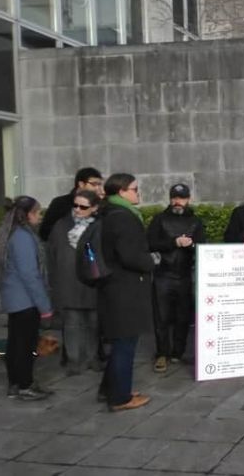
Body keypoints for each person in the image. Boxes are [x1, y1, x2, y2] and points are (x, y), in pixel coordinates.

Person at [96, 174, 154, 410]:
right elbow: (130, 255)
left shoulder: (109, 213)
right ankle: (120, 398)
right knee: (125, 344)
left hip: (115, 286)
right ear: (121, 191)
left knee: (122, 341)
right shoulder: (123, 217)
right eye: (134, 189)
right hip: (124, 289)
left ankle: (110, 389)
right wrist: (151, 261)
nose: (137, 193)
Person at [0, 196, 53, 401]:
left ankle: (16, 384)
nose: (39, 216)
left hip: (15, 298)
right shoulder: (22, 237)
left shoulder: (11, 233)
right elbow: (30, 275)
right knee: (25, 345)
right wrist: (44, 306)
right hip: (25, 300)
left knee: (16, 343)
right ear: (27, 215)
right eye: (37, 212)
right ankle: (24, 384)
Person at [147, 183, 206, 373]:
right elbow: (150, 243)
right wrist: (174, 242)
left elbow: (203, 245)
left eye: (181, 198)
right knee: (161, 317)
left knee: (183, 316)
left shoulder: (196, 221)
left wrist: (191, 244)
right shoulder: (159, 219)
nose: (177, 202)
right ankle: (162, 353)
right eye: (174, 198)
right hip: (163, 274)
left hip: (184, 275)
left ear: (188, 199)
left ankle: (178, 352)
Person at [46, 190, 102, 376]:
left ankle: (92, 357)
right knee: (71, 324)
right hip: (67, 282)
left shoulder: (100, 227)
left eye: (83, 206)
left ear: (94, 208)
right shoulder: (61, 226)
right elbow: (51, 256)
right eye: (75, 205)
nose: (77, 210)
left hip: (93, 284)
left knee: (94, 323)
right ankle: (74, 360)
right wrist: (54, 281)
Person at [39, 167, 104, 242]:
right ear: (81, 184)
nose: (98, 188)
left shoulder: (101, 204)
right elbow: (45, 231)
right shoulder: (61, 203)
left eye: (99, 185)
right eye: (94, 184)